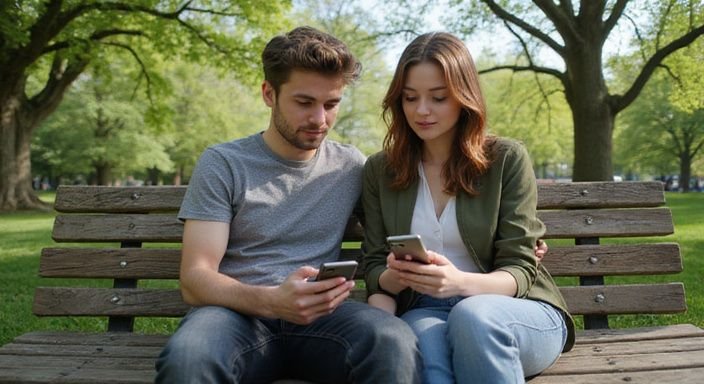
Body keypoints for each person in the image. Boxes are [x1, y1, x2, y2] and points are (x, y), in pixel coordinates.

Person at [155, 26, 423, 383]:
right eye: (304, 102)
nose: (319, 119)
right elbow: (195, 279)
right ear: (269, 93)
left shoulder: (351, 166)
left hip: (323, 321)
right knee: (189, 358)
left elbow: (409, 215)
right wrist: (272, 301)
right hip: (235, 316)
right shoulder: (224, 163)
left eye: (331, 104)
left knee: (393, 341)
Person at [361, 32, 576, 383]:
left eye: (439, 98)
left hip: (515, 311)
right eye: (410, 98)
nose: (422, 110)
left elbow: (521, 271)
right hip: (424, 310)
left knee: (472, 317)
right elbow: (373, 268)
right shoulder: (381, 170)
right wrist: (396, 276)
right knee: (427, 361)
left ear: (464, 97)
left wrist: (458, 282)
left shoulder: (505, 158)